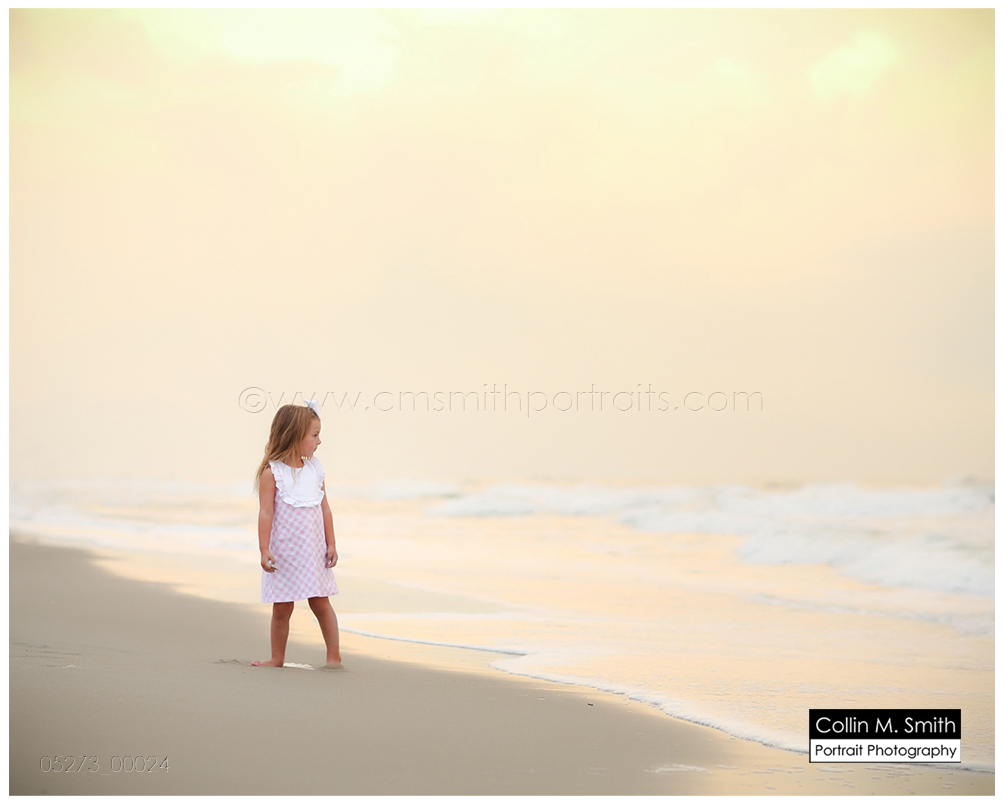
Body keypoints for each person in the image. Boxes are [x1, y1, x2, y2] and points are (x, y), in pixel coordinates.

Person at [250, 400, 341, 668]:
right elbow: (265, 513)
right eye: (314, 435)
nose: (319, 441)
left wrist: (332, 543)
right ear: (293, 435)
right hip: (285, 552)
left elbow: (325, 508)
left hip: (314, 551)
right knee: (281, 609)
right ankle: (277, 658)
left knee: (321, 604)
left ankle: (334, 657)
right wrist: (264, 549)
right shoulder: (272, 473)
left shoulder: (315, 470)